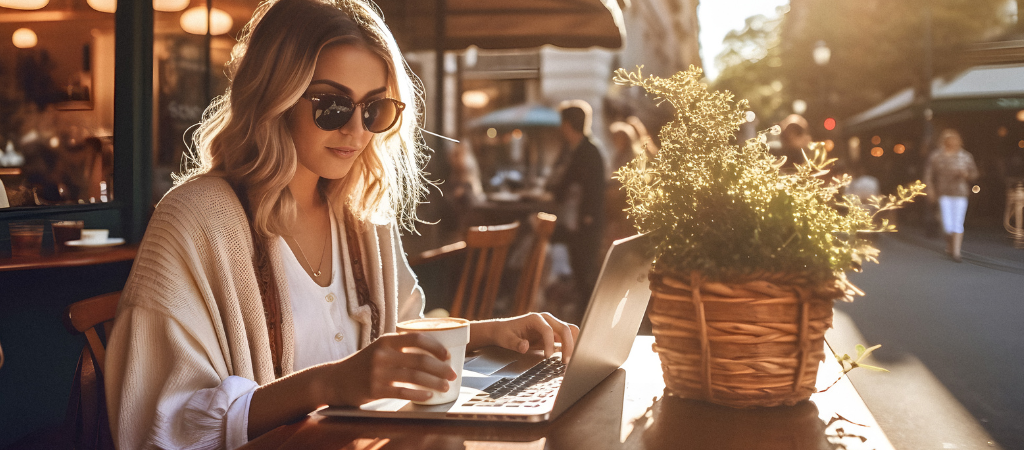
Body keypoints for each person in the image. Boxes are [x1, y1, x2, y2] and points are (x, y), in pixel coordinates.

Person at [104, 1, 579, 448]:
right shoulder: (197, 218)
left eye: (375, 109)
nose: (356, 131)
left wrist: (487, 334)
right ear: (276, 96)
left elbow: (393, 345)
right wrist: (331, 383)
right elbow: (163, 426)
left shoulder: (359, 212)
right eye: (332, 105)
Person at [546, 101, 606, 314]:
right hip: (575, 222)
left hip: (584, 223)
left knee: (585, 270)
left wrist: (587, 218)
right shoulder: (575, 150)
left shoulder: (588, 151)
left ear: (569, 125)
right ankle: (584, 314)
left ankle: (589, 316)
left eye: (563, 123)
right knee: (579, 269)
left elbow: (594, 188)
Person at [923, 128, 979, 262]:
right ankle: (950, 244)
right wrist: (929, 190)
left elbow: (974, 174)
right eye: (949, 139)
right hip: (943, 192)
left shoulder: (965, 156)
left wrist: (966, 174)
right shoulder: (937, 156)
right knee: (947, 225)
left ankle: (956, 252)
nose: (952, 142)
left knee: (958, 223)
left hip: (960, 192)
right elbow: (928, 174)